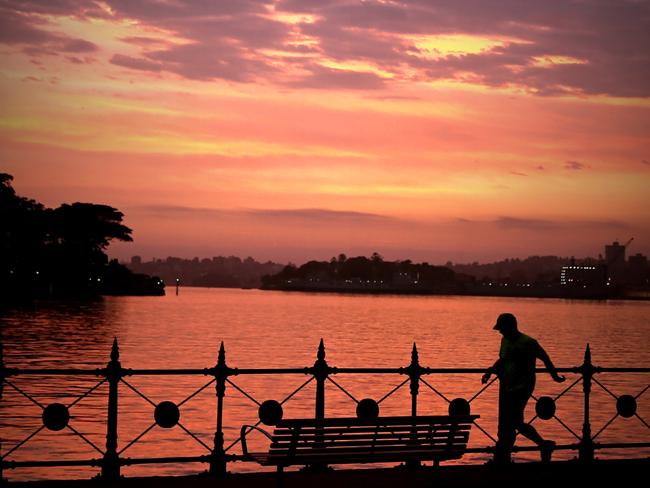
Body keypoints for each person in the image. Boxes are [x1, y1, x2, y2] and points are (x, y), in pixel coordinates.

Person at [482, 313, 565, 464]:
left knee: (513, 421)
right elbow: (502, 360)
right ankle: (510, 452)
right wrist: (489, 372)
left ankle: (538, 445)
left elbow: (544, 357)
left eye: (502, 328)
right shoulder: (505, 340)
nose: (500, 332)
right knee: (511, 422)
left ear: (511, 327)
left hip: (523, 386)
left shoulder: (528, 342)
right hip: (507, 386)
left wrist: (554, 376)